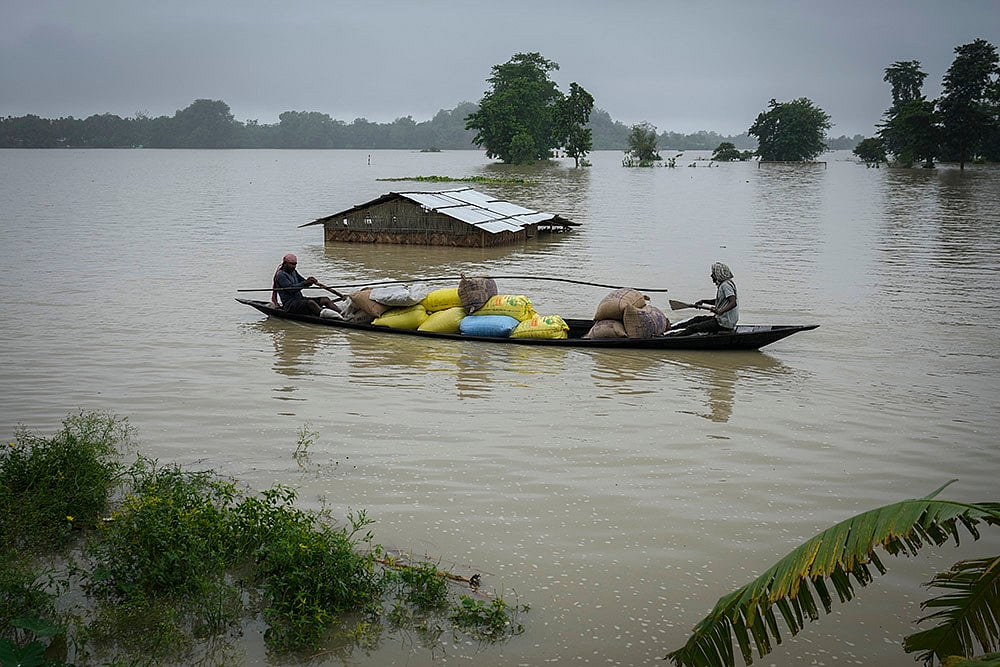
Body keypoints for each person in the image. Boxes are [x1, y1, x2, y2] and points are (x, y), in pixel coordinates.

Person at [671, 262, 739, 334]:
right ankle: (671, 328)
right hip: (721, 320)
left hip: (724, 323)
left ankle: (671, 338)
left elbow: (733, 302)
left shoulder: (725, 285)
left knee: (693, 328)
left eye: (713, 274)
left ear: (718, 274)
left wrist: (720, 311)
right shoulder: (724, 285)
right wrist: (703, 301)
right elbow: (720, 301)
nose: (711, 276)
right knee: (696, 319)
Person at [271, 253, 340, 316]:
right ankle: (325, 316)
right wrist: (305, 283)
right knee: (310, 303)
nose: (294, 266)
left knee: (325, 300)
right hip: (290, 304)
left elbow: (303, 281)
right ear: (285, 263)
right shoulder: (281, 275)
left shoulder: (293, 272)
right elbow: (291, 289)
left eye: (295, 264)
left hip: (300, 299)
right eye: (292, 264)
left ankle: (342, 314)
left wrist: (310, 281)